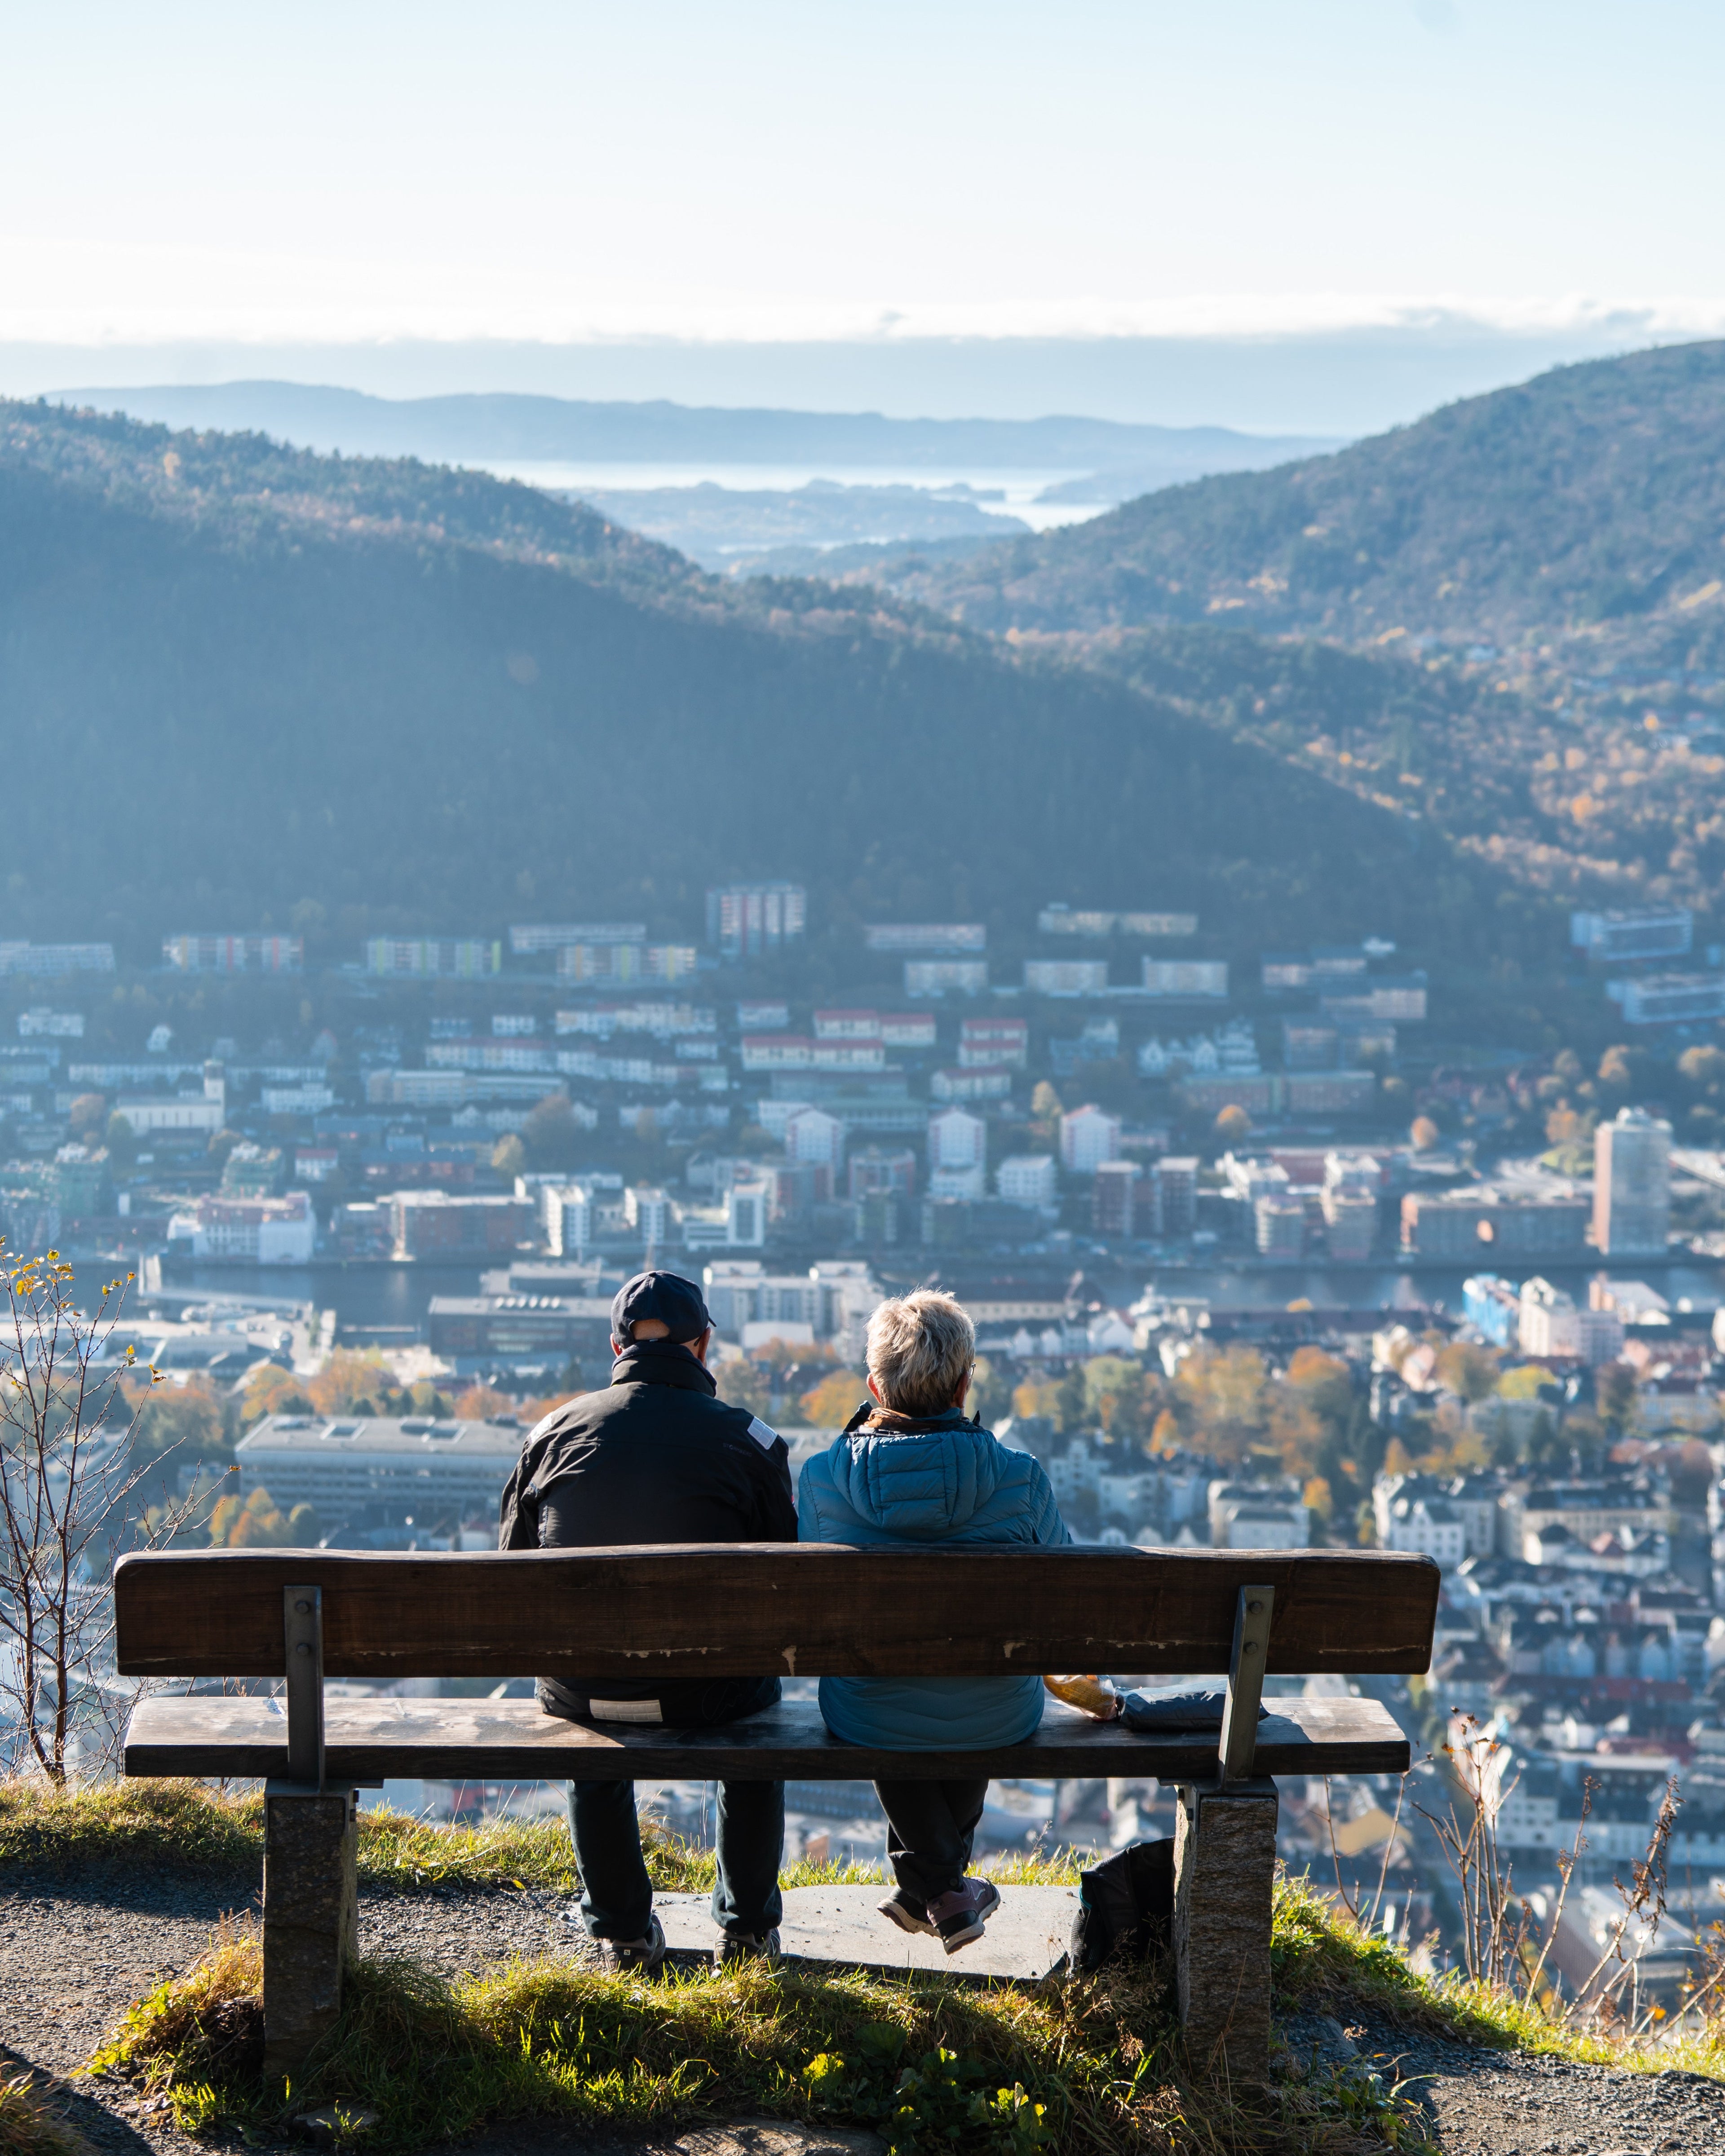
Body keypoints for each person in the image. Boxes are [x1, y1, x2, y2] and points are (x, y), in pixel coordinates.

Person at [499, 1269, 796, 1973]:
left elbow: (512, 1573)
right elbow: (784, 1587)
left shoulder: (552, 1435)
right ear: (703, 1346)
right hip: (712, 1693)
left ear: (616, 1346)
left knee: (586, 1697)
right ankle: (747, 1930)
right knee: (757, 1718)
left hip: (585, 1689)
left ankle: (623, 1931)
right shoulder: (749, 1442)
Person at [796, 1289, 1071, 1953]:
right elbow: (1067, 1595)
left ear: (874, 1387)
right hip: (998, 1710)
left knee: (891, 1690)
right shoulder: (1021, 1478)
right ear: (962, 1386)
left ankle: (936, 1889)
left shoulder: (823, 1478)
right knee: (967, 1686)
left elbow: (808, 1609)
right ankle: (944, 1890)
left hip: (866, 1709)